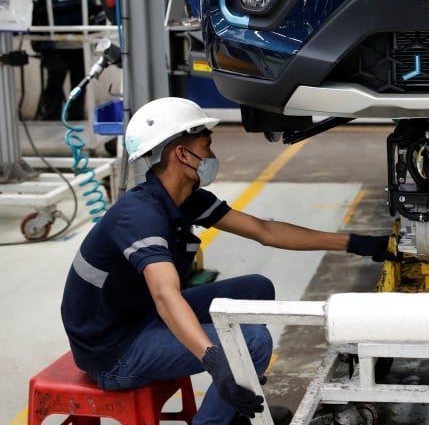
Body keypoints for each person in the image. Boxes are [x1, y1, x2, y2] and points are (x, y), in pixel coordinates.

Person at [60, 97, 398, 424]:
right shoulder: (140, 216)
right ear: (183, 154)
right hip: (113, 353)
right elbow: (165, 295)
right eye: (206, 147)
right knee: (252, 343)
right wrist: (216, 361)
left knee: (256, 288)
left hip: (138, 316)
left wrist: (356, 242)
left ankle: (232, 406)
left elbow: (265, 231)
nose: (212, 156)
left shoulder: (182, 200)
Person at [31, 0, 103, 120]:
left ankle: (75, 119)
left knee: (80, 83)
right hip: (57, 42)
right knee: (55, 83)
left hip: (79, 40)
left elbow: (90, 2)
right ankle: (52, 120)